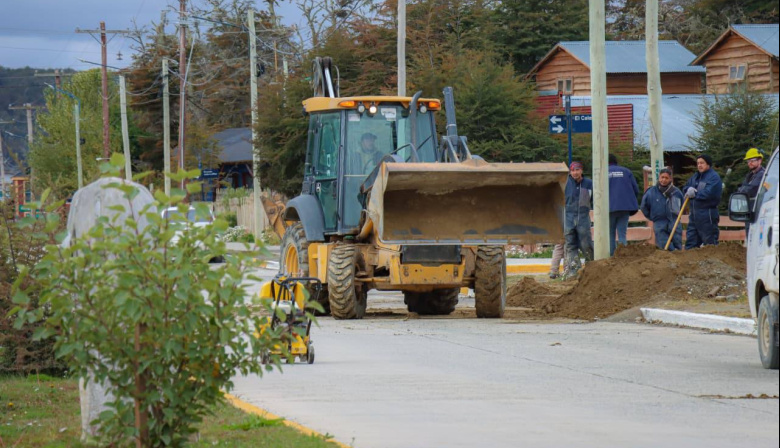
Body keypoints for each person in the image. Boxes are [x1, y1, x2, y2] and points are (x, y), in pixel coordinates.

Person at [683, 154, 723, 249]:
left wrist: (695, 194)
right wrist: (688, 189)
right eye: (698, 163)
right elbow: (685, 187)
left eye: (702, 163)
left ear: (708, 164)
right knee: (691, 243)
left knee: (710, 244)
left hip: (707, 215)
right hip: (694, 215)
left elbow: (709, 193)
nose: (699, 165)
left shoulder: (713, 177)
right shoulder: (695, 177)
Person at [640, 169, 683, 251]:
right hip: (659, 222)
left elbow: (681, 206)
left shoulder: (677, 192)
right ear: (659, 177)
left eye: (666, 178)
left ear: (670, 179)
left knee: (677, 245)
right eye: (662, 177)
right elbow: (644, 207)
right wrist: (653, 217)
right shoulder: (651, 192)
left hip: (674, 222)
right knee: (664, 246)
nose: (664, 180)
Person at [563, 161, 593, 277]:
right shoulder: (565, 183)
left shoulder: (589, 183)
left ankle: (591, 267)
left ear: (582, 171)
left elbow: (594, 198)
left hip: (583, 217)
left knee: (586, 244)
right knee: (570, 245)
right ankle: (573, 270)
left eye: (577, 170)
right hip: (569, 217)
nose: (575, 173)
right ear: (570, 172)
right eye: (573, 170)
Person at [607, 154, 640, 255]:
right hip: (625, 208)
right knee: (622, 234)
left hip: (609, 208)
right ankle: (622, 257)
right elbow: (636, 190)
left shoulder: (603, 172)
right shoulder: (626, 171)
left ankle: (612, 257)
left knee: (610, 234)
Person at [736, 148, 765, 237]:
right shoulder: (751, 175)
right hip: (749, 210)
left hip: (757, 210)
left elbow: (750, 189)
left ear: (759, 161)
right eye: (748, 161)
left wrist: (743, 189)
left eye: (752, 160)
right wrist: (742, 189)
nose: (750, 163)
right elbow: (741, 189)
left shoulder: (762, 174)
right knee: (749, 236)